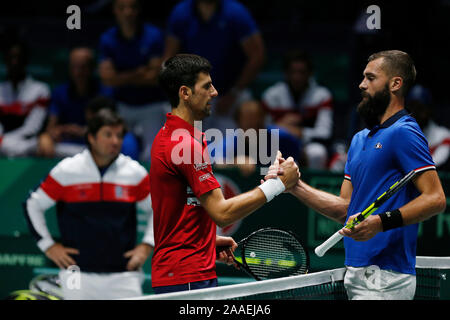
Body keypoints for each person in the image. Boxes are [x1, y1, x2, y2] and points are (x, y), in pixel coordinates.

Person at [266, 50, 446, 300]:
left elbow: (436, 199)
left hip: (386, 276)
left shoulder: (404, 132)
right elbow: (345, 209)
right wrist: (294, 186)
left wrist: (381, 221)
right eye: (363, 77)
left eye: (371, 78)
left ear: (395, 84)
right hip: (356, 270)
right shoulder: (360, 139)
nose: (362, 84)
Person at [150, 54, 299, 294]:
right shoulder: (184, 144)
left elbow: (181, 209)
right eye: (207, 86)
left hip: (184, 271)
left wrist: (205, 243)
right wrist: (278, 185)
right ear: (185, 93)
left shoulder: (173, 136)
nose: (215, 92)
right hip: (186, 277)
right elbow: (222, 213)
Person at [23, 109, 154, 300]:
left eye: (119, 135)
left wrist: (147, 244)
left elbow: (159, 209)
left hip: (124, 276)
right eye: (108, 135)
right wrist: (48, 246)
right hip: (75, 274)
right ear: (91, 137)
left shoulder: (134, 173)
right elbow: (31, 204)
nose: (115, 141)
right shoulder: (67, 170)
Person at [164, 0, 265, 134]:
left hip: (231, 91)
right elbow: (169, 60)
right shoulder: (181, 12)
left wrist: (233, 93)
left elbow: (257, 55)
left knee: (250, 111)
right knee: (173, 114)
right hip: (194, 93)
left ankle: (249, 154)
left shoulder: (235, 12)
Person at [98, 0, 167, 161]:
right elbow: (107, 80)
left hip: (152, 105)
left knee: (155, 155)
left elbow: (155, 77)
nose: (128, 12)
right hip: (122, 106)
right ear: (115, 11)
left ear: (139, 10)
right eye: (122, 8)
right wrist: (138, 72)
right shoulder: (107, 39)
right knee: (116, 152)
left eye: (132, 7)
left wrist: (120, 77)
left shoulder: (153, 36)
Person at [261, 49, 334, 168]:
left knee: (317, 153)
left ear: (310, 73)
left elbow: (325, 133)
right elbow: (262, 129)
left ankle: (309, 185)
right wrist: (281, 127)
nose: (297, 77)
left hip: (308, 144)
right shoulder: (272, 95)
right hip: (278, 143)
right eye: (292, 72)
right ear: (286, 73)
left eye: (302, 72)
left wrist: (300, 133)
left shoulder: (321, 95)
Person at [37, 47, 112, 158]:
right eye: (74, 67)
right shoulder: (60, 92)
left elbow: (108, 130)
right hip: (63, 147)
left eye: (83, 67)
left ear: (92, 68)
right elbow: (51, 127)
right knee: (43, 143)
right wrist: (52, 134)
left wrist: (81, 131)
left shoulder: (104, 93)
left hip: (94, 149)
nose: (78, 72)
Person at [0, 40, 50, 157]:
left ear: (26, 61)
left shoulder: (40, 89)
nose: (14, 62)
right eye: (10, 58)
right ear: (5, 61)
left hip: (28, 145)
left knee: (45, 145)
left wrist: (6, 141)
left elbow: (33, 127)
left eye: (18, 58)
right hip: (2, 144)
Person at [406, 84, 450, 170]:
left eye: (419, 108)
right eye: (411, 108)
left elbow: (435, 163)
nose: (415, 113)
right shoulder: (399, 134)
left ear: (429, 109)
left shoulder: (444, 135)